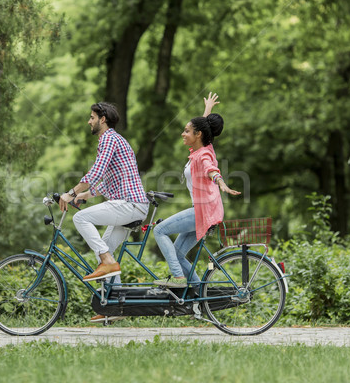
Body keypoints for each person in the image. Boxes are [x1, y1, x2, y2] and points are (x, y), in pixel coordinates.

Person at [59, 102, 149, 322]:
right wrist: (84, 195)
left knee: (81, 218)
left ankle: (106, 261)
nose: (89, 121)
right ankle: (117, 308)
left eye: (92, 117)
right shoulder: (115, 140)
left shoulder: (108, 138)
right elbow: (106, 181)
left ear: (103, 119)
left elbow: (96, 171)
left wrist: (70, 192)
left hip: (129, 204)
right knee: (106, 248)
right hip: (132, 205)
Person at [153, 92, 241, 288]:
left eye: (186, 131)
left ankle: (178, 278)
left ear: (197, 135)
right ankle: (200, 297)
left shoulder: (203, 156)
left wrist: (221, 182)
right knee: (176, 253)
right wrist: (208, 109)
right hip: (207, 211)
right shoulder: (206, 147)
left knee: (159, 231)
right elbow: (203, 128)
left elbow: (211, 169)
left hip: (202, 211)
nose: (183, 134)